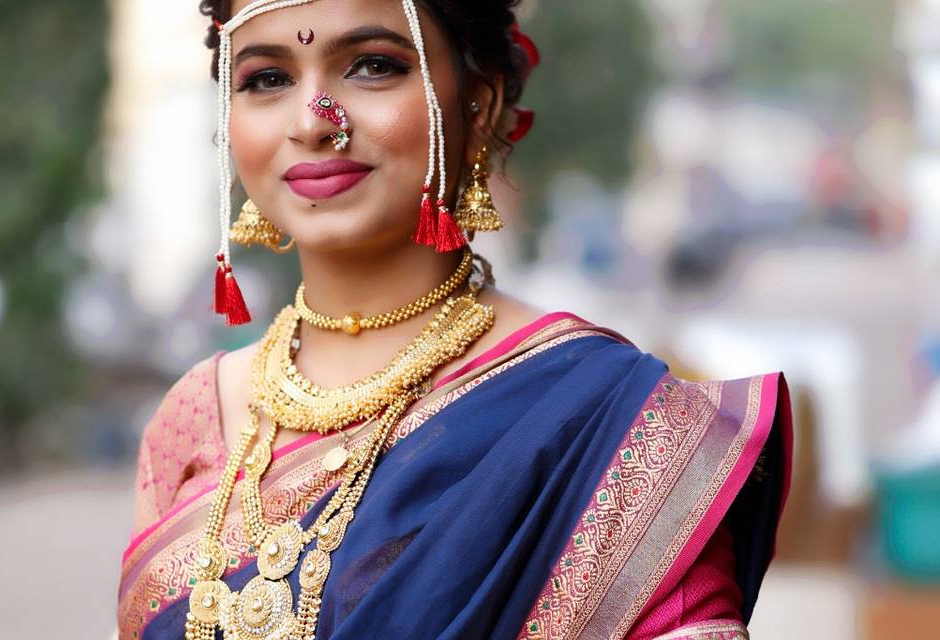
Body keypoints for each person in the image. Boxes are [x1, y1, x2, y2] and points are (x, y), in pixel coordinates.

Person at [117, 1, 793, 638]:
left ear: (479, 102)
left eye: (373, 66)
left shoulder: (603, 424)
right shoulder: (193, 418)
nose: (313, 120)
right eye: (266, 78)